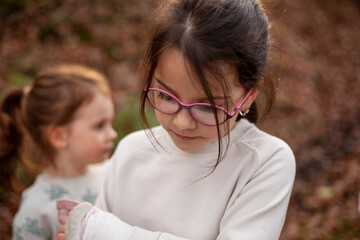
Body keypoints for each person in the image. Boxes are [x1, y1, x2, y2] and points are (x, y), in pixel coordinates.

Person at [57, 0, 296, 239]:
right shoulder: (130, 153)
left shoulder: (265, 162)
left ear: (247, 97)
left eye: (207, 107)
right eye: (166, 96)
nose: (182, 123)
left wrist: (102, 232)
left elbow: (96, 232)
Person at [0, 64, 117, 240]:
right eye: (99, 126)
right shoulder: (36, 208)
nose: (112, 134)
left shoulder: (113, 173)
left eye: (110, 123)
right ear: (59, 136)